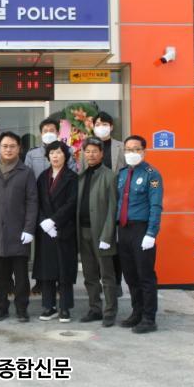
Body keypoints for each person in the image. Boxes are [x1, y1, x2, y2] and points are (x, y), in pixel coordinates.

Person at [0, 132, 38, 322]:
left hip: (19, 232)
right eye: (5, 146)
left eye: (12, 146)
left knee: (21, 276)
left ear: (19, 148)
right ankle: (1, 308)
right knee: (0, 276)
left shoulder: (26, 172)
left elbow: (32, 202)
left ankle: (22, 309)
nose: (8, 149)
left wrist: (29, 229)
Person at [116, 135, 164, 334]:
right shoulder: (122, 174)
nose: (132, 153)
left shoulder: (152, 175)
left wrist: (151, 233)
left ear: (144, 151)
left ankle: (149, 318)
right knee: (130, 275)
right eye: (128, 149)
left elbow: (156, 205)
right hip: (124, 229)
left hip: (141, 230)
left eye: (136, 149)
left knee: (145, 276)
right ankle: (136, 312)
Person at [25, 117, 77, 295]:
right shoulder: (32, 154)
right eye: (45, 130)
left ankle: (62, 284)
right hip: (41, 203)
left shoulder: (67, 151)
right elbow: (28, 177)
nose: (48, 133)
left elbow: (72, 173)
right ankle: (41, 281)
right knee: (42, 249)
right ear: (40, 133)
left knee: (62, 251)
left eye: (52, 130)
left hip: (61, 205)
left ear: (57, 132)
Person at [32, 141, 78, 323]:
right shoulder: (42, 177)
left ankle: (65, 307)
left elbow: (72, 202)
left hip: (64, 229)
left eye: (58, 153)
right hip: (45, 230)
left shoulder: (72, 177)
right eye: (51, 153)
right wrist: (44, 221)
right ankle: (48, 306)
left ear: (65, 155)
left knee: (64, 270)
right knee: (47, 269)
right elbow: (36, 201)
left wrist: (54, 221)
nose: (55, 156)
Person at [76, 137, 118, 327]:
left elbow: (112, 208)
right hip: (83, 231)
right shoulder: (81, 175)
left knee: (107, 276)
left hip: (101, 234)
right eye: (87, 151)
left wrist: (107, 235)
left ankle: (110, 311)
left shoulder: (109, 176)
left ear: (101, 153)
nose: (91, 155)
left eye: (94, 151)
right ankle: (95, 309)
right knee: (89, 274)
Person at [91, 111, 126, 297]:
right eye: (98, 124)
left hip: (116, 199)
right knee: (97, 244)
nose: (101, 127)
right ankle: (99, 280)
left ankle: (116, 282)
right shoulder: (88, 147)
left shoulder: (121, 147)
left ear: (111, 127)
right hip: (95, 202)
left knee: (114, 244)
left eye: (104, 124)